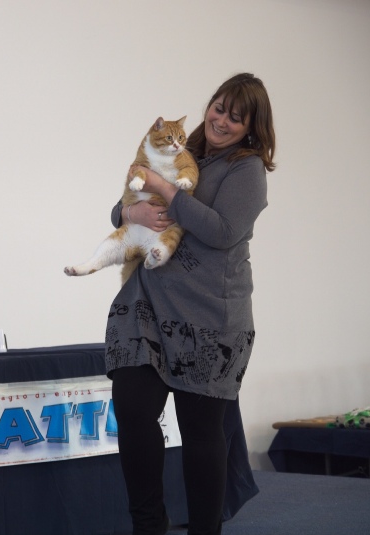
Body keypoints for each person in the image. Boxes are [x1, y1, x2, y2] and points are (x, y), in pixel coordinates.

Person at [106, 73, 275, 535]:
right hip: (147, 306)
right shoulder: (182, 151)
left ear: (251, 127)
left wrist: (166, 191)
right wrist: (129, 212)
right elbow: (124, 202)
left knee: (201, 433)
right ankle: (148, 525)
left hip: (208, 317)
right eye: (218, 108)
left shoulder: (247, 170)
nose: (221, 121)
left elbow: (222, 231)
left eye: (235, 117)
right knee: (133, 411)